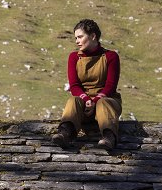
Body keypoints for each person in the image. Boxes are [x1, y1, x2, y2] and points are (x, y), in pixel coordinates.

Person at [52, 19, 122, 151]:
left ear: (93, 36)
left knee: (103, 103)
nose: (77, 41)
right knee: (73, 100)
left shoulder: (111, 56)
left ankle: (109, 137)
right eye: (76, 38)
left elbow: (111, 86)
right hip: (84, 102)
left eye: (80, 37)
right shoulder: (73, 57)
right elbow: (74, 86)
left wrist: (95, 100)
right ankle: (65, 133)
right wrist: (86, 99)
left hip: (107, 100)